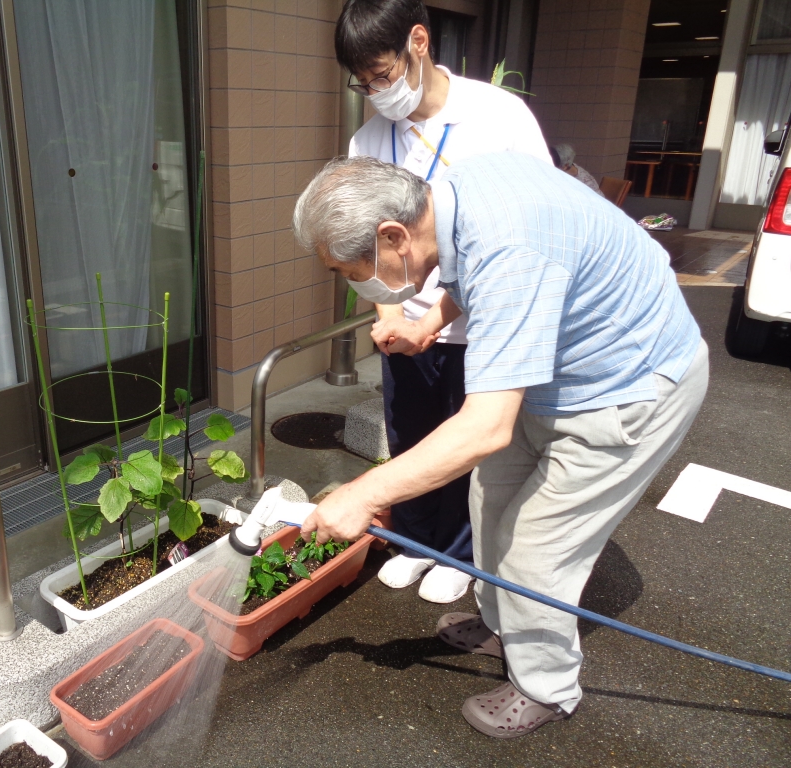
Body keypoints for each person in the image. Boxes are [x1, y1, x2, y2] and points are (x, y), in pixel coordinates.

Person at [292, 153, 707, 738]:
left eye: (350, 270)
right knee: (489, 500)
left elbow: (486, 427)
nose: (354, 283)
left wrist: (361, 494)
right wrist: (429, 322)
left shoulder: (511, 250)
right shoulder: (451, 199)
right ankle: (503, 627)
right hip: (555, 376)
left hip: (629, 387)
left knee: (539, 549)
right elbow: (470, 281)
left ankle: (546, 687)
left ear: (393, 235)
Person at [335, 0, 552, 604]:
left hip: (485, 319)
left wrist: (436, 317)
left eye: (382, 74)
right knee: (409, 433)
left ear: (419, 42)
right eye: (364, 82)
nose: (377, 91)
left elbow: (526, 226)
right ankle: (412, 542)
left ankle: (460, 554)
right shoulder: (369, 137)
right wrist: (389, 315)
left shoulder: (498, 116)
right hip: (404, 320)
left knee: (465, 445)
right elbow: (363, 238)